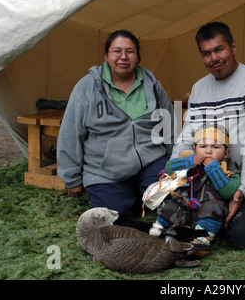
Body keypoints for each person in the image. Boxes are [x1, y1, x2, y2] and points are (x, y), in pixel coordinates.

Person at [172, 22, 245, 249]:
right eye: (206, 53)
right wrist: (176, 165)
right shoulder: (199, 87)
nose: (214, 58)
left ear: (233, 46)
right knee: (176, 221)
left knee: (242, 237)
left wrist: (242, 191)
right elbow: (188, 133)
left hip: (236, 173)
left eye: (219, 49)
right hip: (204, 171)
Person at [57, 30, 174, 218]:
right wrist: (71, 177)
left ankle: (142, 192)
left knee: (173, 202)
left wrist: (174, 162)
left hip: (150, 162)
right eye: (116, 51)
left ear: (138, 57)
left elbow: (168, 126)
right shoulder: (87, 87)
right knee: (118, 217)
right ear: (106, 56)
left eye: (130, 51)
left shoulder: (152, 86)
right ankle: (130, 196)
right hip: (105, 170)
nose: (123, 57)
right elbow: (71, 132)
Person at [149, 124, 240, 252]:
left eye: (215, 147)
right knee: (170, 205)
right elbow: (169, 168)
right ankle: (158, 231)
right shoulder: (189, 161)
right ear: (194, 149)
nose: (208, 151)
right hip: (185, 207)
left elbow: (228, 192)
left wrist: (214, 170)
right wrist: (189, 161)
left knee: (215, 207)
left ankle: (200, 241)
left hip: (208, 215)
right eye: (203, 146)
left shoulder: (230, 168)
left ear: (226, 153)